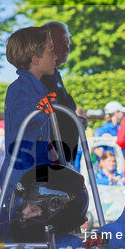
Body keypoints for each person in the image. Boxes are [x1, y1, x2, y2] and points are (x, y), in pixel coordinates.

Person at [0, 26, 58, 197]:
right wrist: (40, 107)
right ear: (35, 59)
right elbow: (23, 117)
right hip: (20, 171)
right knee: (20, 219)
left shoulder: (39, 89)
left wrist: (51, 152)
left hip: (38, 169)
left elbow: (39, 130)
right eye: (51, 51)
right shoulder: (18, 88)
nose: (55, 56)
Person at [6, 163, 88, 248]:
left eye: (33, 209)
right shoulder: (15, 240)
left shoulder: (67, 246)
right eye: (24, 205)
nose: (24, 212)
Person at [40, 21, 79, 162]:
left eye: (67, 42)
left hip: (63, 158)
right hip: (52, 161)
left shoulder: (53, 74)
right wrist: (50, 151)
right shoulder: (40, 76)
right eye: (62, 43)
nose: (67, 48)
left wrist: (75, 120)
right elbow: (37, 118)